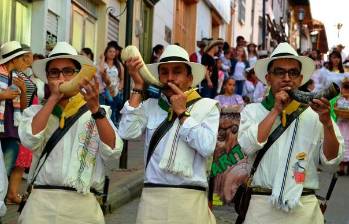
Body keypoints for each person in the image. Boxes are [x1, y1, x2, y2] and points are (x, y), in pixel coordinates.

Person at [237, 42, 344, 224]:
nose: (287, 78)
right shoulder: (252, 111)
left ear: (300, 78)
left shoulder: (315, 114)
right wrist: (275, 111)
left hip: (304, 211)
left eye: (293, 73)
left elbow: (331, 162)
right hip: (261, 210)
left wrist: (326, 123)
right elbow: (247, 146)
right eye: (280, 72)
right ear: (268, 77)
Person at [17, 42, 123, 224]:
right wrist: (53, 99)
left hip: (82, 206)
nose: (61, 78)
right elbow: (29, 139)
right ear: (48, 79)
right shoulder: (35, 112)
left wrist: (96, 110)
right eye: (54, 73)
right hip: (40, 205)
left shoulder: (98, 111)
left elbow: (113, 151)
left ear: (78, 75)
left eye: (68, 71)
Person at [119, 44, 219, 224]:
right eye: (164, 72)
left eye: (177, 72)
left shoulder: (207, 107)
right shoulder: (151, 106)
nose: (170, 78)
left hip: (189, 201)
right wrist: (138, 85)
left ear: (189, 78)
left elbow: (207, 147)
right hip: (152, 199)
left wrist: (182, 113)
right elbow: (127, 132)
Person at [0, 41, 28, 178]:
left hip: (11, 130)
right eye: (21, 58)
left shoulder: (17, 77)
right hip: (2, 128)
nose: (23, 61)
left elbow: (24, 107)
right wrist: (3, 95)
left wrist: (23, 90)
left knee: (5, 173)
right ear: (14, 59)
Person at [97, 43, 124, 126]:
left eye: (114, 52)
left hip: (115, 91)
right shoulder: (103, 63)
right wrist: (102, 58)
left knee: (114, 110)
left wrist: (120, 88)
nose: (112, 53)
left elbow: (122, 78)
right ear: (106, 52)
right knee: (107, 109)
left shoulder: (118, 64)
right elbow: (101, 71)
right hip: (105, 90)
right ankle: (111, 125)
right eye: (110, 51)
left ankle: (113, 125)